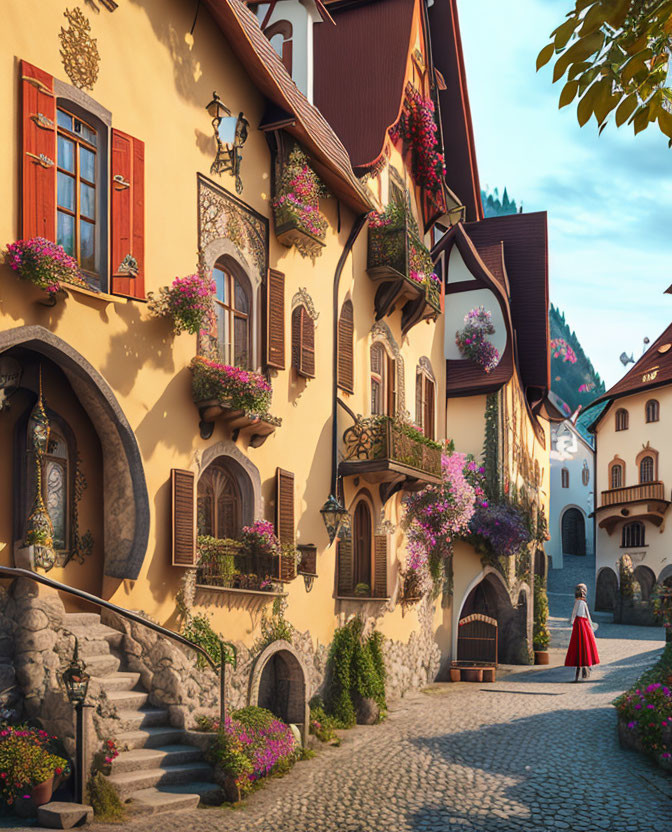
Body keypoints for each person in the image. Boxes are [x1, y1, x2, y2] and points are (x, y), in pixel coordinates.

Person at [565, 583, 599, 682]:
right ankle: (585, 667)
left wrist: (572, 621)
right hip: (583, 623)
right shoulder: (582, 602)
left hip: (580, 623)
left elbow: (574, 613)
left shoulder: (579, 602)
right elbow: (586, 614)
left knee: (581, 645)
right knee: (584, 645)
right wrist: (590, 624)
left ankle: (582, 670)